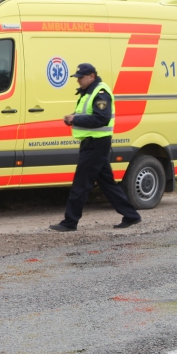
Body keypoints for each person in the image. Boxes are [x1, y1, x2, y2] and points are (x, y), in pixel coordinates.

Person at [50, 63, 142, 232]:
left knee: (81, 183)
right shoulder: (89, 92)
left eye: (81, 77)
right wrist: (73, 117)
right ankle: (131, 215)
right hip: (93, 143)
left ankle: (69, 222)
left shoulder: (100, 92)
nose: (78, 81)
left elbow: (101, 119)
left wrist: (75, 120)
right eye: (77, 78)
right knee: (107, 183)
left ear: (91, 76)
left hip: (96, 144)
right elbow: (89, 115)